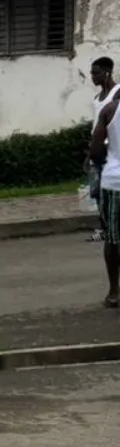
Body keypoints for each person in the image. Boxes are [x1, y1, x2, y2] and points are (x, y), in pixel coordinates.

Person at [88, 66, 120, 306]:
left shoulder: (110, 110)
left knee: (113, 238)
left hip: (114, 182)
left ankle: (114, 292)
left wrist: (105, 162)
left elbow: (96, 149)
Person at [87, 59, 118, 241]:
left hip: (111, 151)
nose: (92, 77)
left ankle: (111, 228)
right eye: (91, 73)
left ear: (107, 72)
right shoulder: (97, 98)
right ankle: (104, 228)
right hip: (97, 150)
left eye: (96, 73)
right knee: (96, 191)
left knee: (110, 191)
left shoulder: (117, 93)